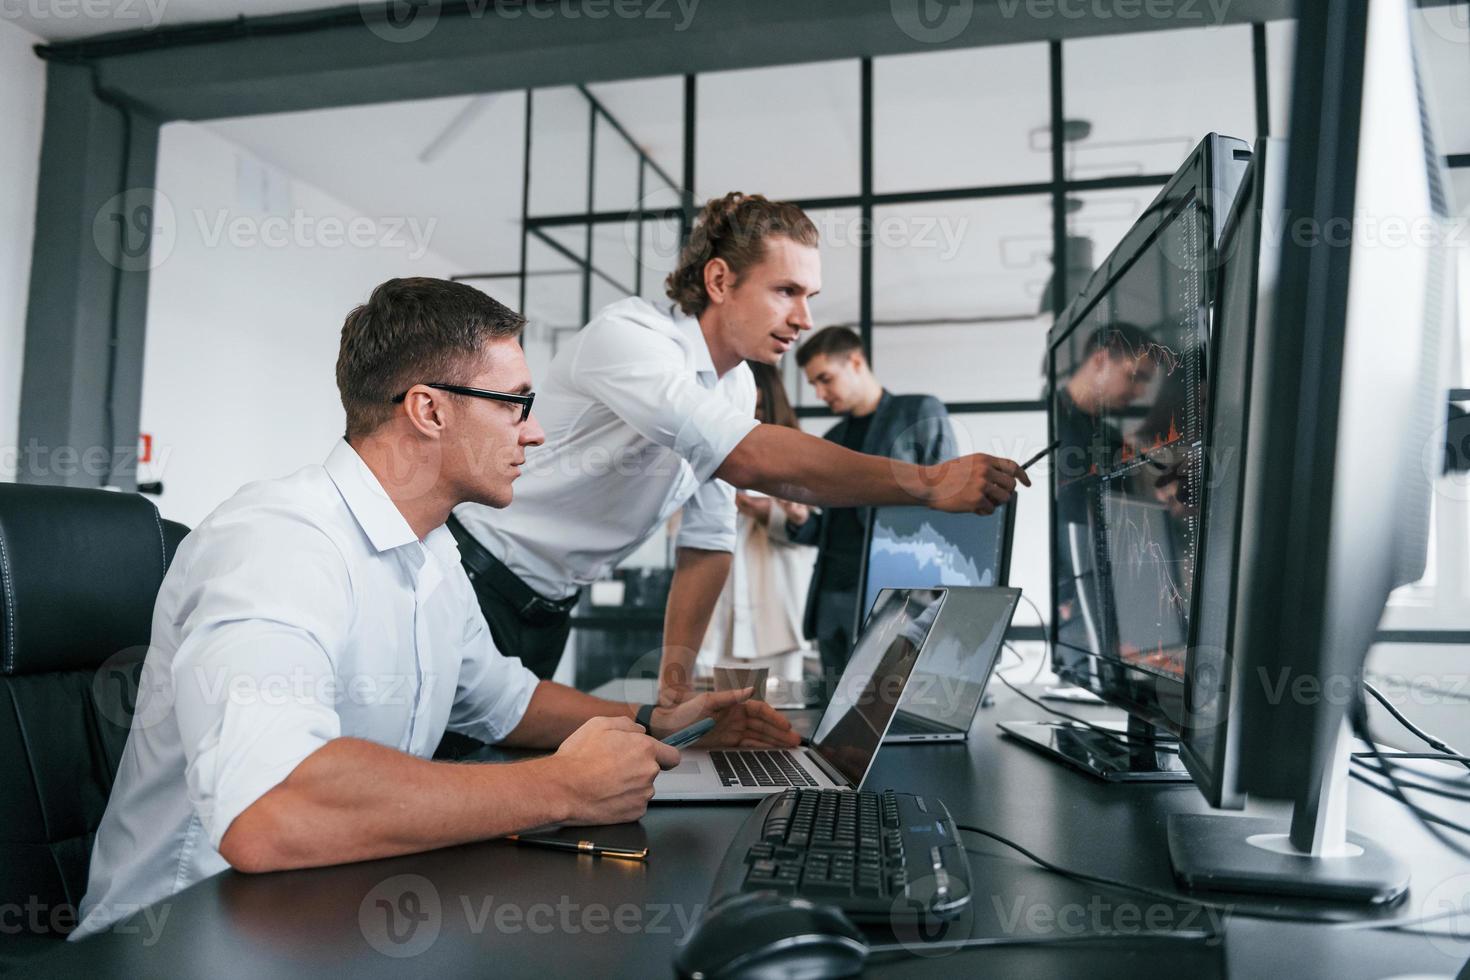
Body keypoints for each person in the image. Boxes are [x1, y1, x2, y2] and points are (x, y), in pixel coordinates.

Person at [73, 279, 796, 939]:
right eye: (516, 403)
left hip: (322, 917)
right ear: (428, 409)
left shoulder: (432, 552)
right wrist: (559, 786)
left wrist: (654, 721)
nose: (534, 433)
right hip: (183, 936)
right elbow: (271, 809)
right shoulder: (279, 540)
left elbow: (504, 701)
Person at [450, 192, 1030, 707]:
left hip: (550, 610)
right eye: (786, 292)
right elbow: (746, 456)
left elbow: (707, 543)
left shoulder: (737, 385)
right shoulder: (631, 337)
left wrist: (674, 689)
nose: (804, 317)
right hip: (475, 580)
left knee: (495, 776)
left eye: (809, 296)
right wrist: (926, 482)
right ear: (721, 281)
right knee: (441, 784)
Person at [767, 326, 957, 697]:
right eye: (814, 385)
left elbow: (945, 509)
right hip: (829, 597)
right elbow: (829, 529)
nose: (821, 394)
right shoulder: (833, 438)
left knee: (886, 705)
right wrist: (801, 519)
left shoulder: (918, 412)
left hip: (889, 592)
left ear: (855, 362)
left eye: (825, 380)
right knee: (833, 709)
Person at [696, 361, 816, 683]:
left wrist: (772, 513)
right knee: (715, 709)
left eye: (759, 407)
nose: (751, 417)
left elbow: (810, 531)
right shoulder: (707, 451)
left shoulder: (799, 453)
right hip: (719, 606)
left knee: (782, 712)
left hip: (776, 608)